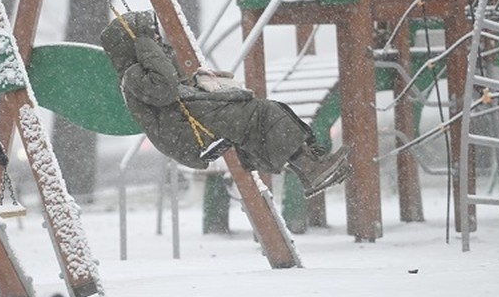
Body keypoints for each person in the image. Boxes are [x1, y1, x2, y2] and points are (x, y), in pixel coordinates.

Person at [100, 10, 349, 197]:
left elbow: (174, 85)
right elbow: (165, 89)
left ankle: (310, 166)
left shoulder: (142, 69)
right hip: (186, 135)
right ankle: (310, 169)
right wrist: (146, 45)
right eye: (149, 35)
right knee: (259, 113)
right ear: (134, 41)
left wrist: (199, 80)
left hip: (188, 124)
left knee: (262, 113)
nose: (156, 37)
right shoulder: (132, 75)